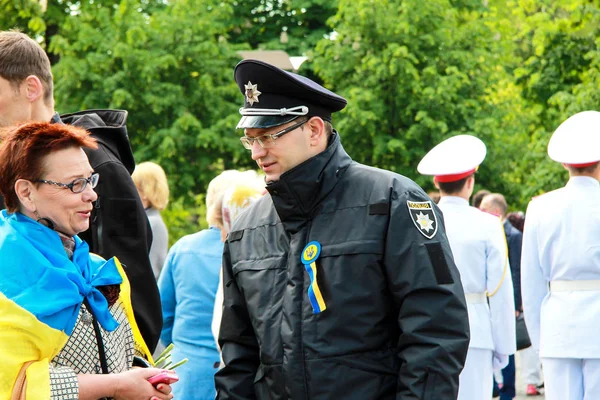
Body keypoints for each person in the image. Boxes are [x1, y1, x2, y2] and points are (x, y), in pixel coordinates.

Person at [214, 59, 470, 399]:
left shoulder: (393, 201)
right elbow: (238, 355)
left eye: (268, 136)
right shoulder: (247, 228)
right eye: (250, 140)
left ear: (315, 130)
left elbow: (435, 330)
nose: (257, 152)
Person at [0, 30, 162, 352]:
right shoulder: (9, 167)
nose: (85, 192)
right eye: (75, 185)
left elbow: (135, 309)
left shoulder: (97, 166)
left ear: (31, 88)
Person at [0, 122, 174, 400]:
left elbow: (119, 355)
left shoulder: (93, 265)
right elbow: (10, 385)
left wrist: (144, 377)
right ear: (26, 193)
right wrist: (116, 386)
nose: (91, 194)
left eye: (90, 180)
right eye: (74, 184)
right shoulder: (4, 274)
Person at [417, 135, 516, 400]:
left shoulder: (419, 223)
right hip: (476, 331)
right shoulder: (488, 224)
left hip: (426, 331)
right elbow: (499, 290)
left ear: (436, 182)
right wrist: (504, 347)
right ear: (470, 183)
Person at [159, 170, 262, 400]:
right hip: (239, 373)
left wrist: (180, 347)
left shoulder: (183, 248)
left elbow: (162, 315)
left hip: (186, 374)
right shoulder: (256, 254)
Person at [522, 110, 600, 400]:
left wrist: (541, 342)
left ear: (565, 163)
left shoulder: (540, 208)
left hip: (558, 330)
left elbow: (531, 285)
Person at [480, 193, 523, 400]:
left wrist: (516, 303)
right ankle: (494, 388)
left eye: (484, 209)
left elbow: (516, 271)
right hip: (486, 299)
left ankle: (508, 390)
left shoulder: (513, 234)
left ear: (496, 212)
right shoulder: (484, 230)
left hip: (507, 298)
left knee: (507, 344)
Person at [132, 161, 170, 279]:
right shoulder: (148, 220)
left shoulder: (152, 223)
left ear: (145, 192)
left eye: (133, 186)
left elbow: (153, 270)